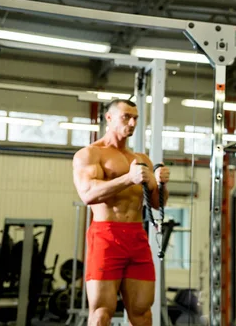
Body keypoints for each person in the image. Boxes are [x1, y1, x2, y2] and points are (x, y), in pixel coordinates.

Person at [72, 99, 170, 326]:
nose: (132, 122)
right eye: (126, 116)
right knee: (101, 313)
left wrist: (162, 184)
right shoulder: (90, 154)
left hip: (136, 236)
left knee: (142, 313)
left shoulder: (142, 160)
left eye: (135, 118)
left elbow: (157, 203)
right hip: (106, 235)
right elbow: (87, 194)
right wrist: (128, 179)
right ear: (109, 118)